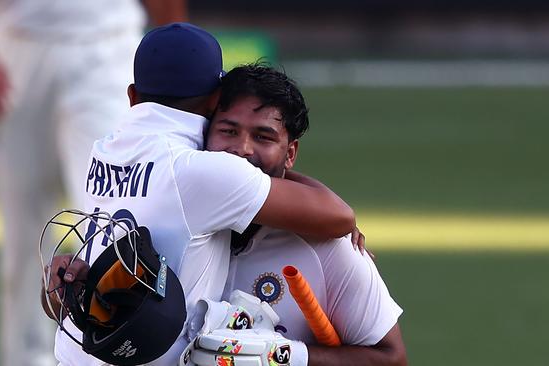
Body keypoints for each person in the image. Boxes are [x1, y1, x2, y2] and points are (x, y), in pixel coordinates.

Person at [45, 23, 360, 365]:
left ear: (133, 96)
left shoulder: (102, 150)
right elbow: (338, 217)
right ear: (215, 101)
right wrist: (270, 167)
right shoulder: (204, 171)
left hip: (77, 351)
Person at [0, 1, 188, 365]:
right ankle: (24, 358)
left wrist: (178, 49)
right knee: (22, 230)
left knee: (114, 219)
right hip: (18, 46)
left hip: (106, 48)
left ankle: (111, 354)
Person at [184, 64, 407, 365]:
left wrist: (283, 356)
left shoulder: (331, 247)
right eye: (228, 131)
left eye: (263, 137)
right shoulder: (176, 214)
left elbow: (392, 358)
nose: (241, 149)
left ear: (290, 154)